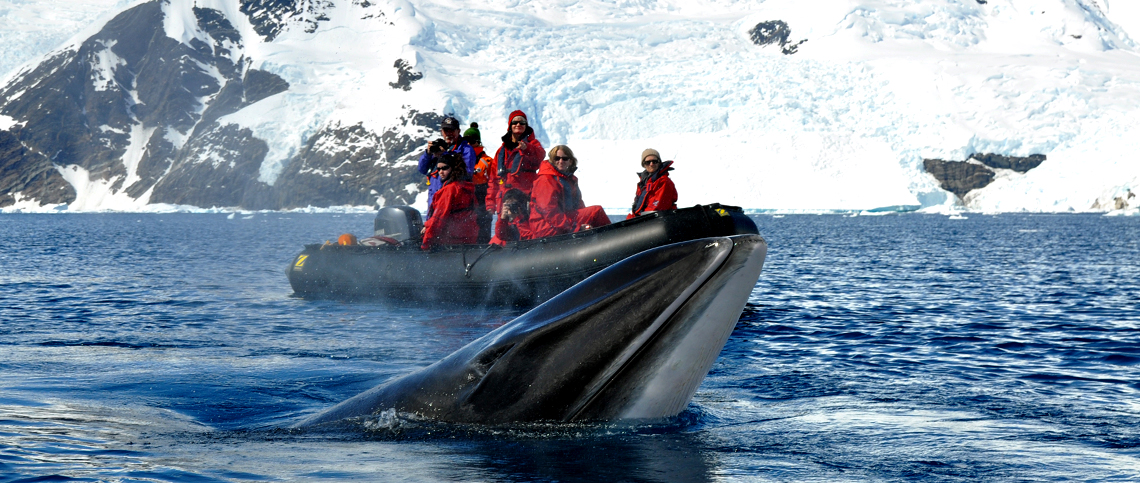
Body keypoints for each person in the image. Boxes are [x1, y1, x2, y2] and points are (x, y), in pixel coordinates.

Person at [529, 145, 611, 238]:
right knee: (596, 211)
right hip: (546, 227)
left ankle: (599, 240)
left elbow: (579, 207)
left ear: (570, 161)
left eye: (565, 159)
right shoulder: (546, 180)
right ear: (552, 160)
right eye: (557, 158)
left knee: (593, 215)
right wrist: (575, 228)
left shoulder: (569, 180)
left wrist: (585, 223)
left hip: (562, 223)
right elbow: (549, 213)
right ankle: (612, 238)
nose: (561, 161)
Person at [418, 116, 477, 218]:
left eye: (452, 130)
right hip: (434, 203)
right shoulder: (438, 147)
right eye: (446, 130)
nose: (449, 134)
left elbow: (466, 174)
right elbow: (422, 169)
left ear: (458, 131)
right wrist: (428, 153)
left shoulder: (466, 149)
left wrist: (445, 155)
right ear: (441, 132)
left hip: (453, 205)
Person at [488, 110, 544, 212]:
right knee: (501, 228)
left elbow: (540, 156)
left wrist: (527, 148)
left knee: (524, 227)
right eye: (515, 122)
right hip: (504, 200)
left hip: (525, 199)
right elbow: (493, 179)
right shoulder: (501, 151)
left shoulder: (533, 144)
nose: (518, 124)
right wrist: (490, 203)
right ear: (510, 126)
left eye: (522, 122)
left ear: (526, 126)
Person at [421, 152, 478, 250]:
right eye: (438, 169)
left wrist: (426, 244)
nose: (440, 172)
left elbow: (438, 220)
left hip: (449, 241)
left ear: (453, 168)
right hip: (467, 239)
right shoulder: (466, 187)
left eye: (445, 168)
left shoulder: (450, 190)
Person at [464, 122, 494, 243]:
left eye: (472, 141)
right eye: (467, 142)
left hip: (482, 200)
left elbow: (494, 183)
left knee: (482, 233)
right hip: (466, 200)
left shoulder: (487, 161)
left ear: (478, 142)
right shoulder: (460, 160)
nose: (469, 145)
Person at [627, 148, 678, 219]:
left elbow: (656, 207)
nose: (651, 164)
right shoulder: (644, 183)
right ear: (644, 165)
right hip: (645, 220)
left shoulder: (664, 181)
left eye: (654, 161)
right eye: (648, 162)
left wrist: (637, 222)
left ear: (659, 162)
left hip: (657, 220)